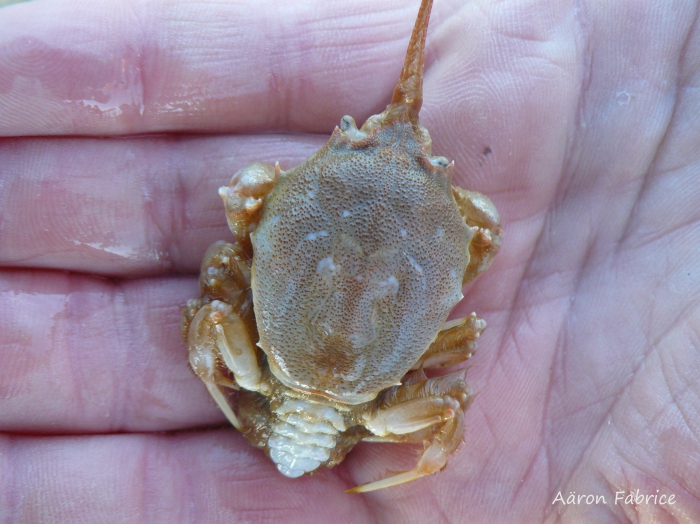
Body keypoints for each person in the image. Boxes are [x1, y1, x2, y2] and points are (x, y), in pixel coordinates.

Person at [0, 0, 698, 522]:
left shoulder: (317, 185)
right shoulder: (461, 230)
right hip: (369, 410)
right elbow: (474, 263)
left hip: (261, 373)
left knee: (218, 292)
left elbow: (228, 251)